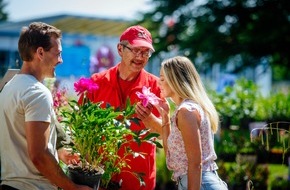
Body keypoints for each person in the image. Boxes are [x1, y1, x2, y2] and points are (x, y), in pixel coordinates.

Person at [0, 22, 92, 190]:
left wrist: (59, 152)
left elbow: (22, 143)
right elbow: (39, 155)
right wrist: (73, 188)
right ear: (40, 53)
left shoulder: (9, 88)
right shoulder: (37, 92)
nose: (61, 60)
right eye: (58, 54)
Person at [85, 25, 163, 190]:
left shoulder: (156, 86)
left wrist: (149, 118)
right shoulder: (97, 82)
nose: (140, 57)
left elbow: (165, 134)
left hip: (139, 181)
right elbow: (81, 129)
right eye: (135, 50)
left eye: (145, 52)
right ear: (120, 49)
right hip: (100, 178)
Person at [156, 56, 228, 190]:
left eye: (162, 79)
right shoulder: (186, 109)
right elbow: (171, 156)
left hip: (201, 183)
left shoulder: (186, 112)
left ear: (174, 81)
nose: (158, 83)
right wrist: (165, 116)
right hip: (198, 182)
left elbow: (195, 163)